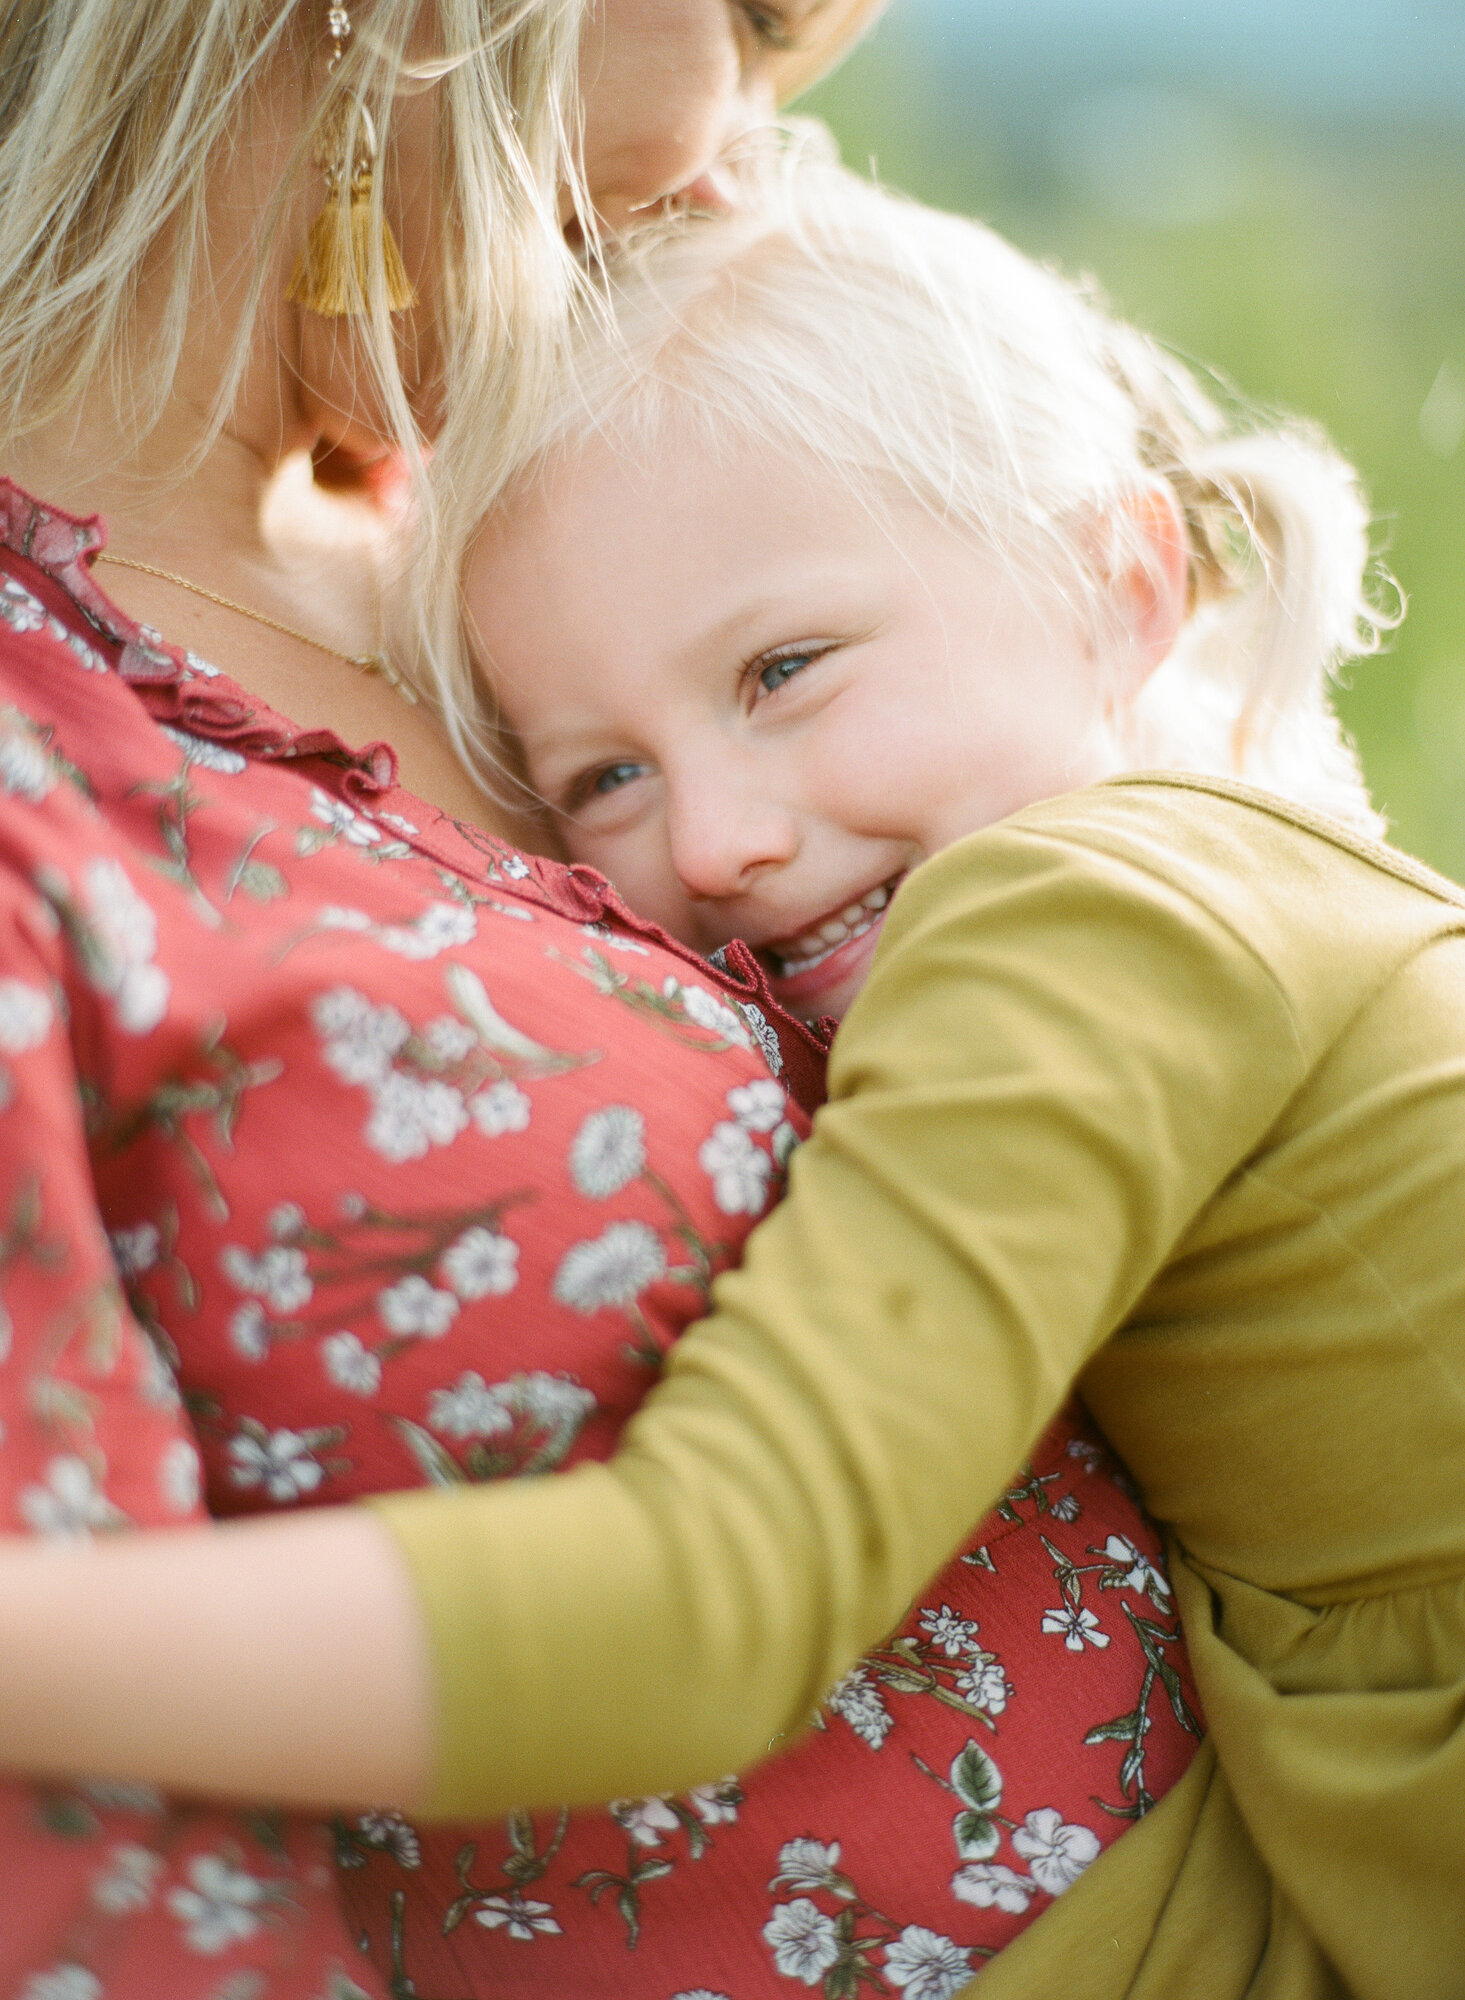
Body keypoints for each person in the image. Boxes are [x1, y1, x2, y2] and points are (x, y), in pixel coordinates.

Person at [0, 7, 1202, 1997]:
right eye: (738, 15)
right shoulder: (53, 784)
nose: (742, 140)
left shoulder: (514, 553)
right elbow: (81, 1881)